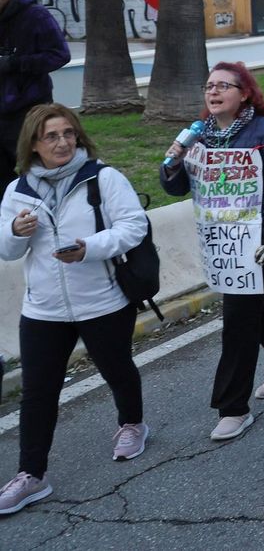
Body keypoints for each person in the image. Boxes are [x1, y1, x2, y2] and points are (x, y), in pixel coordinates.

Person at [160, 63, 264, 442]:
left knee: (238, 314)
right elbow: (176, 188)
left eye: (223, 86)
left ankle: (233, 408)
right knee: (255, 302)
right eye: (209, 86)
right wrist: (174, 161)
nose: (213, 92)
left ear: (244, 93)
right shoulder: (199, 137)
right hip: (224, 238)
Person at [0, 105, 147, 516]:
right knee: (38, 392)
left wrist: (89, 248)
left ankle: (132, 424)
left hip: (101, 300)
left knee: (117, 369)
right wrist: (14, 231)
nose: (63, 142)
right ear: (33, 144)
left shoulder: (103, 178)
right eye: (51, 136)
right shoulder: (18, 191)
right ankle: (31, 475)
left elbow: (134, 226)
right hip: (43, 309)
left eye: (69, 133)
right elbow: (7, 251)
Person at [0, 0, 72, 192]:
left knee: (36, 169)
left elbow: (60, 54)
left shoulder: (35, 15)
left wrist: (14, 63)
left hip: (28, 108)